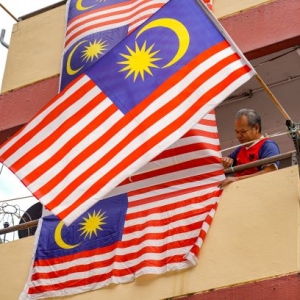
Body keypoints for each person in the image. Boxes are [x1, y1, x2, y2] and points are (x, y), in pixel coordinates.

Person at [219, 108, 280, 188]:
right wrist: (226, 161)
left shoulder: (268, 145)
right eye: (237, 132)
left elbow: (270, 171)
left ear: (256, 128)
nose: (238, 136)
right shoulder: (240, 149)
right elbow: (223, 164)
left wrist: (237, 179)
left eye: (243, 131)